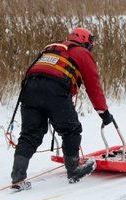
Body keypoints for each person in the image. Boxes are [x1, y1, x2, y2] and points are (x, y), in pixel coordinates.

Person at [9, 27, 111, 188]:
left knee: (30, 134)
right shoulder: (82, 53)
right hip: (54, 90)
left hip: (29, 89)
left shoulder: (50, 49)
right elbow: (93, 85)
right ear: (86, 42)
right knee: (71, 130)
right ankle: (74, 170)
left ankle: (18, 176)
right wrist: (103, 111)